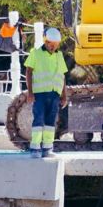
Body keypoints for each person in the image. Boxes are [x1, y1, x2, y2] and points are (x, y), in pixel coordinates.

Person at [23, 27, 69, 158]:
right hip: (39, 95)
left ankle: (47, 148)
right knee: (39, 120)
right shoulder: (36, 53)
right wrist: (30, 93)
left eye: (56, 45)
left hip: (54, 94)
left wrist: (64, 95)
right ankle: (35, 148)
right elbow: (29, 71)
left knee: (50, 122)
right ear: (45, 41)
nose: (53, 47)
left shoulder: (59, 55)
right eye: (51, 44)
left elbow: (62, 76)